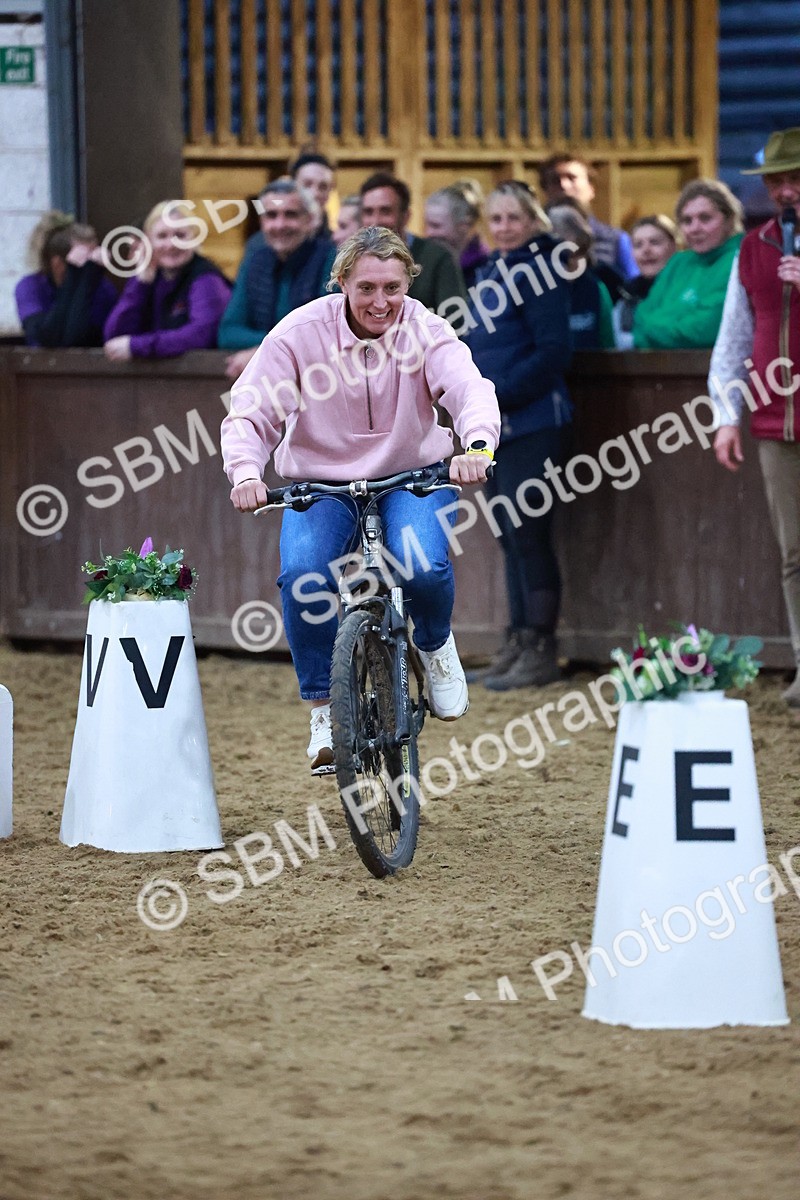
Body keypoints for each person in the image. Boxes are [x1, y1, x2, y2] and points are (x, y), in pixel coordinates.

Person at [220, 227, 500, 771]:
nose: (381, 302)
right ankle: (324, 713)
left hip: (413, 474)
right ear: (342, 281)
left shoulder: (425, 328)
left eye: (393, 288)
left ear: (407, 284)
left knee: (422, 562)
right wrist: (245, 472)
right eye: (367, 287)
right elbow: (251, 409)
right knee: (303, 574)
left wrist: (479, 445)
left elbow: (469, 388)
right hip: (320, 482)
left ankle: (437, 646)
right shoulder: (300, 333)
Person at [463, 180, 573, 690]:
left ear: (533, 222)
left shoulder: (543, 273)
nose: (504, 228)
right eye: (497, 219)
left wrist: (496, 393)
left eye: (514, 218)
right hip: (494, 427)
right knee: (508, 536)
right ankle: (517, 639)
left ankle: (541, 648)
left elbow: (553, 352)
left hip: (533, 423)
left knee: (530, 535)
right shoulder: (487, 271)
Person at [710, 127, 800, 707]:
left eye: (795, 179)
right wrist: (725, 413)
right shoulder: (753, 247)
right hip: (775, 420)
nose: (786, 191)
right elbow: (734, 335)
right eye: (777, 181)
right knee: (794, 553)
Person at [218, 179, 335, 379]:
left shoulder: (331, 259)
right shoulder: (254, 261)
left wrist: (266, 350)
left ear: (309, 220)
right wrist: (272, 346)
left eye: (290, 215)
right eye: (271, 215)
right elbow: (228, 332)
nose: (279, 225)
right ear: (262, 222)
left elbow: (328, 332)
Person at [102, 201, 231, 361]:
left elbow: (201, 335)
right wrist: (139, 284)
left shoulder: (206, 278)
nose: (171, 244)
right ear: (148, 241)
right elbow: (115, 337)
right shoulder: (149, 278)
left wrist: (138, 346)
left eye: (180, 235)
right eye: (162, 236)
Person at [633, 180, 744, 349]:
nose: (694, 228)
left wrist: (654, 327)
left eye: (705, 218)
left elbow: (705, 330)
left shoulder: (740, 260)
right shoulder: (678, 262)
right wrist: (676, 326)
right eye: (687, 221)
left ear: (729, 220)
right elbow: (640, 318)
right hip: (660, 370)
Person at [359, 171, 468, 312]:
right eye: (368, 212)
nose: (375, 221)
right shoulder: (353, 261)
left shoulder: (438, 259)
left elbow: (455, 323)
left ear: (406, 216)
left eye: (385, 211)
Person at [15, 211, 117, 348]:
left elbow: (79, 337)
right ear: (57, 264)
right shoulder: (31, 287)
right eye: (86, 259)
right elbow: (47, 336)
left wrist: (87, 281)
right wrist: (73, 278)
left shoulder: (103, 288)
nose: (91, 265)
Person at [538, 154, 638, 280]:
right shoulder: (535, 243)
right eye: (555, 180)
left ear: (591, 189)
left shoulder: (615, 240)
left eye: (572, 178)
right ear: (545, 191)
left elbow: (634, 287)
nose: (564, 185)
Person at [545, 200, 615, 349]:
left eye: (578, 252)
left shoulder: (596, 288)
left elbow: (608, 346)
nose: (571, 262)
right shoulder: (533, 289)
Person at [613, 214, 678, 348]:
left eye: (654, 242)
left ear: (673, 246)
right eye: (638, 245)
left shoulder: (688, 292)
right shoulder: (624, 299)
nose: (646, 250)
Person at [424, 179, 490, 290]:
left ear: (464, 225)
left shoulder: (485, 270)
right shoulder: (426, 264)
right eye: (426, 225)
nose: (429, 233)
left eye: (436, 226)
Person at [290, 151, 336, 236]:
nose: (315, 193)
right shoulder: (270, 240)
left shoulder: (338, 243)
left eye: (323, 187)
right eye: (307, 185)